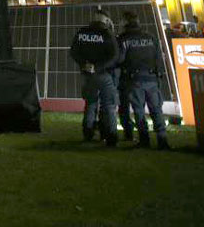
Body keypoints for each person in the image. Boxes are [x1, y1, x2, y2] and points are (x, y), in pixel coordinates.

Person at [117, 11, 171, 150]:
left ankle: (144, 139)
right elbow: (159, 58)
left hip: (134, 79)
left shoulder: (123, 40)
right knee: (156, 109)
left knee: (139, 110)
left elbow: (120, 60)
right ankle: (162, 139)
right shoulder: (151, 38)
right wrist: (159, 76)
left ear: (125, 23)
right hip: (152, 78)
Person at [70, 8, 120, 146]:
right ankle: (111, 137)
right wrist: (98, 67)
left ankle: (88, 133)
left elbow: (73, 52)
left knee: (90, 104)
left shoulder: (82, 33)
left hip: (87, 76)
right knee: (109, 106)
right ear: (105, 20)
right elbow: (115, 56)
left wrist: (84, 64)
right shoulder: (107, 34)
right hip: (104, 75)